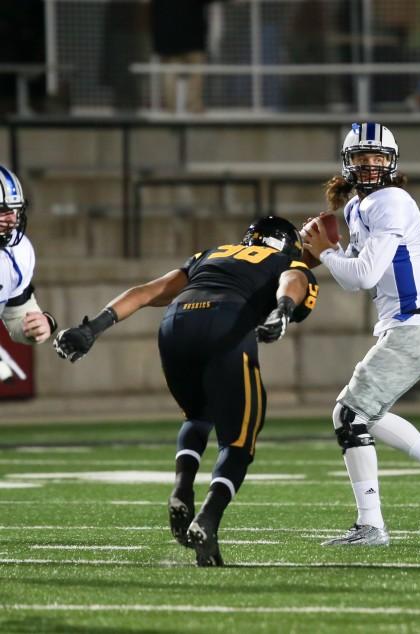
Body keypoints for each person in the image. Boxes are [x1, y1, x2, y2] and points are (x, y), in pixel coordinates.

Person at [53, 215, 320, 567]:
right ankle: (207, 519)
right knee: (240, 437)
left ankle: (183, 488)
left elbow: (147, 292)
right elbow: (293, 277)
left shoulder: (211, 254)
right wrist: (283, 309)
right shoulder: (286, 260)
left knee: (198, 414)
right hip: (226, 319)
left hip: (176, 322)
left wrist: (93, 329)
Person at [301, 122, 420, 546]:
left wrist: (324, 251)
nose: (371, 164)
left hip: (415, 326)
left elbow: (363, 276)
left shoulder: (391, 200)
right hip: (410, 327)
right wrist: (333, 252)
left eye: (378, 157)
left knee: (348, 414)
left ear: (392, 162)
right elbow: (353, 275)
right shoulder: (361, 207)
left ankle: (372, 525)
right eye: (362, 157)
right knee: (365, 414)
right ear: (349, 163)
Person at [0, 165, 57, 381]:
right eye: (2, 211)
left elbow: (16, 316)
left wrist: (37, 325)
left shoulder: (17, 252)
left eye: (14, 210)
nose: (12, 220)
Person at [151, 0, 220, 113]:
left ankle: (171, 109)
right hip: (192, 35)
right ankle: (193, 107)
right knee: (195, 73)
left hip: (167, 36)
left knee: (170, 74)